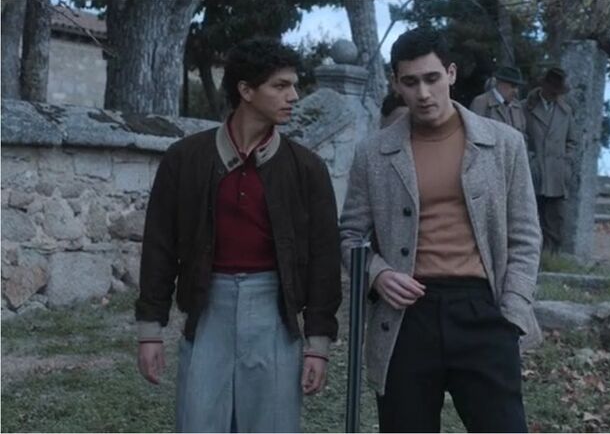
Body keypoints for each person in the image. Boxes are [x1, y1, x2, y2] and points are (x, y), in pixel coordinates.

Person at [339, 28, 542, 433]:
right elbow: (349, 236)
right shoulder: (373, 153)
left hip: (482, 309)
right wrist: (377, 273)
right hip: (406, 316)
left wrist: (513, 312)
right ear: (396, 83)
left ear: (450, 73)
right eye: (410, 82)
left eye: (432, 78)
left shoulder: (504, 144)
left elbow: (525, 234)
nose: (423, 93)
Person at [135, 38, 342, 433]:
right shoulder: (185, 159)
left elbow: (324, 260)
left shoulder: (306, 168)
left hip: (274, 315)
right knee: (198, 423)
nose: (294, 96)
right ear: (246, 90)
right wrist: (150, 332)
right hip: (207, 310)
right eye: (280, 86)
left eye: (294, 85)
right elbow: (159, 246)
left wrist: (318, 345)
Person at [524, 67, 578, 253]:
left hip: (557, 175)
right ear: (544, 87)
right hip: (533, 173)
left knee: (555, 220)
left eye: (558, 91)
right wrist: (529, 160)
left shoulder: (566, 111)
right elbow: (520, 135)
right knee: (531, 219)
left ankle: (552, 258)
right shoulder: (526, 107)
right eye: (552, 90)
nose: (555, 95)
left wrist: (566, 164)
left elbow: (572, 142)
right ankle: (532, 258)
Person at [469, 65, 527, 135]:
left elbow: (523, 135)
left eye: (517, 87)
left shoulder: (517, 107)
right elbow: (474, 133)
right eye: (513, 86)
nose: (516, 91)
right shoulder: (480, 103)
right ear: (500, 83)